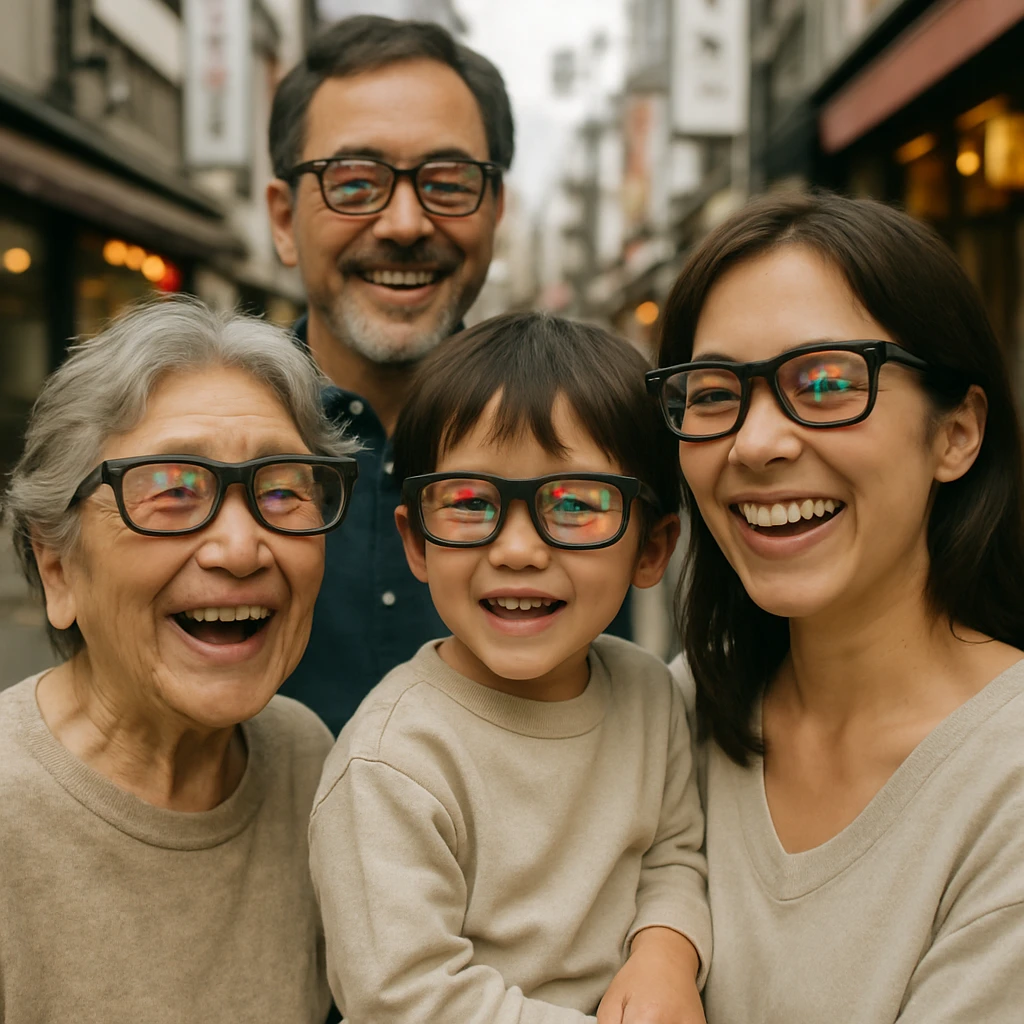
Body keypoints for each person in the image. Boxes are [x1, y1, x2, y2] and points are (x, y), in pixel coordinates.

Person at [643, 191, 1024, 1022]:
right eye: (712, 394)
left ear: (956, 432)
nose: (755, 444)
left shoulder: (1007, 780)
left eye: (822, 381)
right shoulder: (670, 717)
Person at [309, 312, 712, 1024]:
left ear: (652, 548)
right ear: (418, 542)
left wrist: (666, 952)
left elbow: (675, 854)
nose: (519, 549)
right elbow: (404, 996)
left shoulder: (648, 693)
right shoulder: (392, 762)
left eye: (576, 503)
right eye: (469, 502)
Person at [266, 16, 630, 733]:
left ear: (495, 210)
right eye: (355, 181)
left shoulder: (589, 441)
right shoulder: (207, 447)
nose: (405, 222)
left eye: (448, 181)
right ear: (283, 220)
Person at [0, 298, 359, 1023]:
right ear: (57, 568)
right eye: (172, 491)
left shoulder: (303, 758)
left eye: (282, 489)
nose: (239, 548)